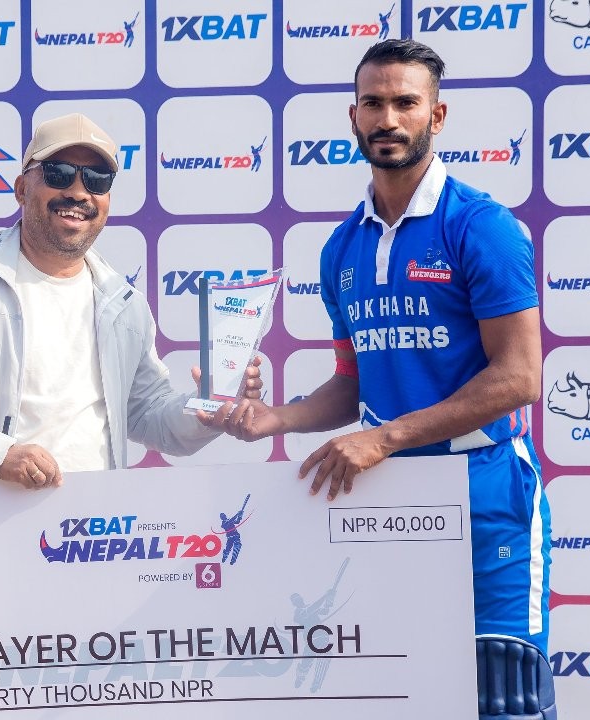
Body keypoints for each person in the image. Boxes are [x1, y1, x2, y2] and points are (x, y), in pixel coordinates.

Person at [222, 39, 551, 653]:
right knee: (401, 681)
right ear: (353, 117)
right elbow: (354, 382)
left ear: (437, 115)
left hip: (484, 487)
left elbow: (518, 377)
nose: (388, 119)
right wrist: (277, 418)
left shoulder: (482, 227)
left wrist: (383, 438)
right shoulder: (341, 247)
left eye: (406, 103)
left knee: (504, 686)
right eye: (372, 103)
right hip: (388, 496)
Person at [0, 113, 260, 485]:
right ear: (22, 189)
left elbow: (148, 416)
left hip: (93, 524)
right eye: (59, 173)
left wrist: (209, 406)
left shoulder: (124, 304)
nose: (78, 192)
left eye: (97, 179)